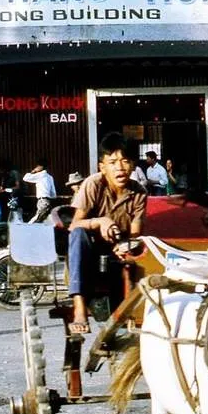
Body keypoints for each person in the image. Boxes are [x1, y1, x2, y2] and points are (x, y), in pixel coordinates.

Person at [67, 132, 148, 334]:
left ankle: (132, 314)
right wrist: (100, 221)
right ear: (102, 167)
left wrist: (126, 246)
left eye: (125, 161)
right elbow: (74, 224)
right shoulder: (93, 184)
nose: (120, 168)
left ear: (133, 165)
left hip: (118, 251)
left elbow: (136, 233)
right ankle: (79, 307)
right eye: (113, 162)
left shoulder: (139, 193)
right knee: (78, 234)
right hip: (89, 250)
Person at [22, 158, 58, 223]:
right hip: (48, 201)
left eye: (37, 166)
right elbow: (53, 194)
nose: (36, 167)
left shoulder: (40, 175)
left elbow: (25, 178)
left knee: (36, 219)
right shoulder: (50, 177)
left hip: (42, 201)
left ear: (40, 166)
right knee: (43, 220)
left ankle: (27, 227)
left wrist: (33, 171)